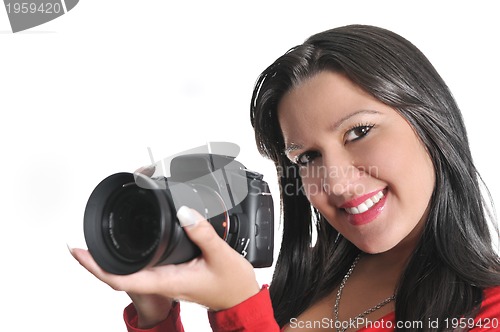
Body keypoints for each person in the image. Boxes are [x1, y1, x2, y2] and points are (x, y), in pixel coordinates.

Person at [70, 24, 500, 331]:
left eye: (359, 132)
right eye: (308, 156)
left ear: (430, 123)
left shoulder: (488, 312)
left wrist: (239, 311)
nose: (335, 181)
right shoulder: (299, 284)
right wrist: (155, 315)